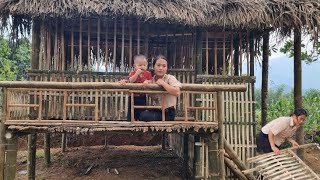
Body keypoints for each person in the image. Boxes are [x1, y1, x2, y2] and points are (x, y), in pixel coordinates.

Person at [139, 55, 182, 121]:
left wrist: (163, 83)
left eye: (164, 66)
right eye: (158, 65)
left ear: (167, 68)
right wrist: (146, 83)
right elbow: (133, 80)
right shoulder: (151, 80)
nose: (161, 68)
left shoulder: (170, 78)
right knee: (141, 113)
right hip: (157, 110)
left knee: (144, 116)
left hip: (168, 112)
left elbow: (177, 92)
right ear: (153, 67)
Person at [121, 54, 152, 121]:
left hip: (142, 96)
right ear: (135, 66)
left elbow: (151, 81)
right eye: (140, 65)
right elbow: (131, 80)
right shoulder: (133, 73)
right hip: (132, 96)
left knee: (142, 110)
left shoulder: (148, 73)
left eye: (144, 65)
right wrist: (136, 74)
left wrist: (147, 82)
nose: (142, 67)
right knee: (131, 110)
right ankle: (130, 121)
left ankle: (140, 121)